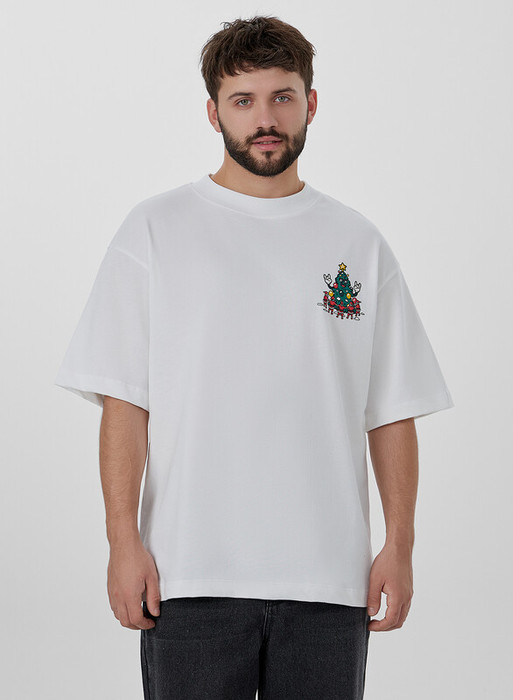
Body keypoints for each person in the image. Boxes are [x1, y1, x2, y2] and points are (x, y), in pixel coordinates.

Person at [54, 15, 454, 700]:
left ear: (310, 103)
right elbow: (125, 401)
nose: (264, 119)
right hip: (189, 577)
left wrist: (400, 544)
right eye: (243, 100)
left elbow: (391, 409)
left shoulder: (357, 243)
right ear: (213, 113)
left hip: (329, 582)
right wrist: (123, 541)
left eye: (281, 97)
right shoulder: (154, 231)